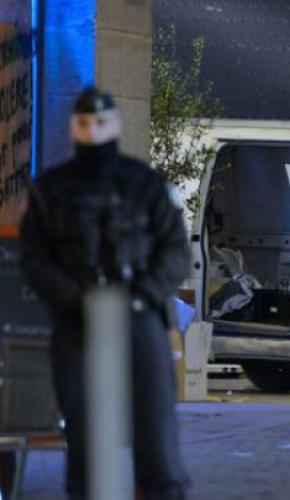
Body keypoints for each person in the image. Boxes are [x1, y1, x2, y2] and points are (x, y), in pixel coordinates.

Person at [20, 87, 190, 499]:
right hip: (77, 323)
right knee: (85, 441)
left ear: (116, 124)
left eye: (100, 122)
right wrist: (77, 300)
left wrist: (140, 296)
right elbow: (35, 260)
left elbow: (174, 252)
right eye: (84, 123)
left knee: (156, 437)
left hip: (139, 317)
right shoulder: (49, 190)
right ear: (73, 127)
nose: (93, 131)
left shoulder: (145, 184)